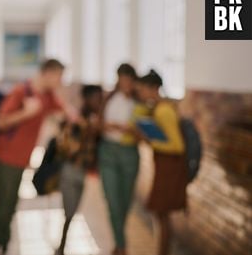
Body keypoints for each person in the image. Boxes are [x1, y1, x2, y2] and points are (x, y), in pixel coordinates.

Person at [0, 59, 73, 255]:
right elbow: (0, 122)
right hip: (7, 155)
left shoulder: (47, 95)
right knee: (4, 202)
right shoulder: (20, 92)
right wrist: (26, 112)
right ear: (48, 73)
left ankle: (2, 241)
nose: (61, 81)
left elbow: (65, 111)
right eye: (59, 76)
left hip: (22, 157)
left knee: (10, 201)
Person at [135, 70, 187, 255]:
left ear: (153, 89)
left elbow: (177, 146)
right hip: (164, 166)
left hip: (170, 168)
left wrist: (150, 141)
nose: (140, 93)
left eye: (142, 89)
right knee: (161, 214)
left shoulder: (164, 110)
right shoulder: (159, 108)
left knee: (162, 213)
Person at [98, 63, 144, 255]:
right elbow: (99, 124)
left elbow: (146, 134)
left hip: (129, 152)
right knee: (112, 199)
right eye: (121, 79)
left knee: (125, 201)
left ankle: (118, 242)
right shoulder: (109, 99)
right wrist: (106, 126)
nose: (125, 83)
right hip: (108, 151)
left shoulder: (139, 104)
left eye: (128, 80)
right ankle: (122, 246)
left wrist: (131, 130)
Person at [54, 85, 103, 255]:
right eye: (96, 98)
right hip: (71, 170)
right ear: (87, 99)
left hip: (81, 172)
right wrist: (89, 129)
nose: (99, 102)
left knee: (73, 211)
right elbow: (70, 147)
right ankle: (61, 247)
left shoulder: (95, 119)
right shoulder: (77, 121)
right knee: (69, 211)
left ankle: (62, 245)